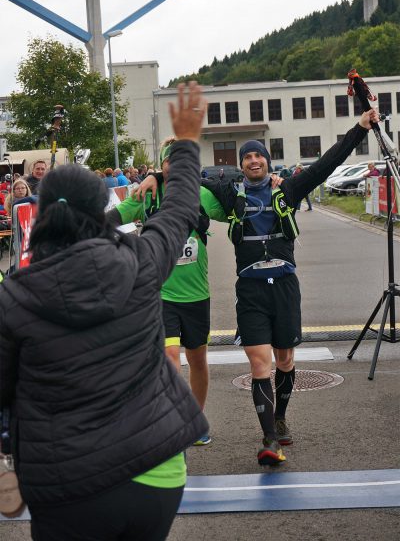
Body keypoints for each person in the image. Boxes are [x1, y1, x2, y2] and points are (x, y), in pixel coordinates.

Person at [0, 82, 208, 541]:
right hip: (158, 471)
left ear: (42, 213)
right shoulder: (141, 260)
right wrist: (187, 144)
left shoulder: (15, 297)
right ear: (103, 210)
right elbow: (178, 210)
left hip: (69, 483)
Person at [201, 109, 380, 467]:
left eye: (258, 156)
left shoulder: (290, 190)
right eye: (247, 157)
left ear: (268, 163)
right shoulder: (227, 193)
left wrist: (359, 128)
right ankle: (269, 440)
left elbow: (328, 163)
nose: (253, 160)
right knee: (258, 362)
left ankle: (280, 416)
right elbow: (186, 178)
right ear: (241, 165)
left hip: (284, 285)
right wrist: (155, 176)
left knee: (284, 359)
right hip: (250, 289)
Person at [107, 136, 228, 446]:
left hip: (197, 294)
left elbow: (234, 208)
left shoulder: (200, 194)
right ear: (161, 165)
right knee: (170, 357)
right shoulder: (146, 193)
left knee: (198, 360)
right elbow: (111, 219)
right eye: (167, 162)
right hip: (160, 294)